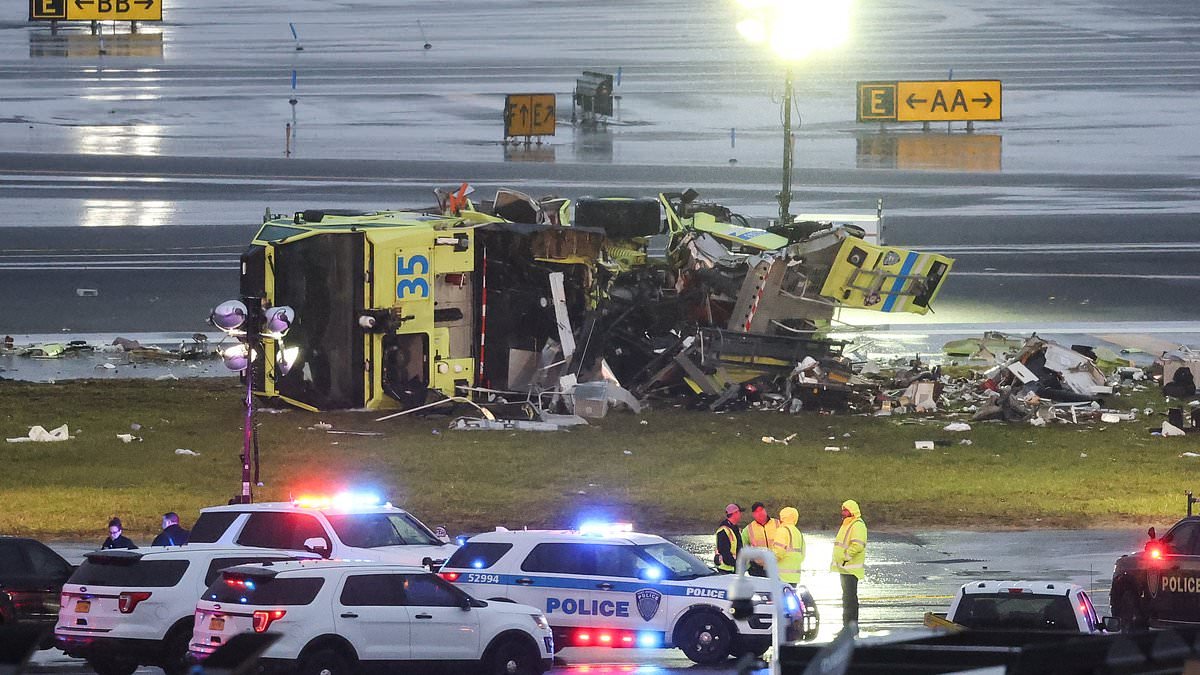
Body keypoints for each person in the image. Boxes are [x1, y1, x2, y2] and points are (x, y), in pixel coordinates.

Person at [830, 500, 867, 629]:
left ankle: (851, 625)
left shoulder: (857, 525)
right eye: (843, 510)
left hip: (850, 568)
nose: (843, 512)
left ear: (852, 511)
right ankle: (848, 625)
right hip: (845, 568)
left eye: (845, 510)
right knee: (847, 598)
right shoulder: (848, 524)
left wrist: (846, 557)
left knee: (850, 599)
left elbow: (858, 545)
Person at [771, 506, 805, 585]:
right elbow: (802, 555)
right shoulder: (798, 533)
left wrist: (768, 561)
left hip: (780, 576)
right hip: (795, 577)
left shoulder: (782, 531)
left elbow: (778, 553)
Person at [714, 503, 744, 572]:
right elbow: (724, 551)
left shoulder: (735, 529)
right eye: (739, 512)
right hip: (725, 569)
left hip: (734, 568)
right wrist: (735, 563)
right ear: (735, 513)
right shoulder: (723, 530)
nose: (740, 514)